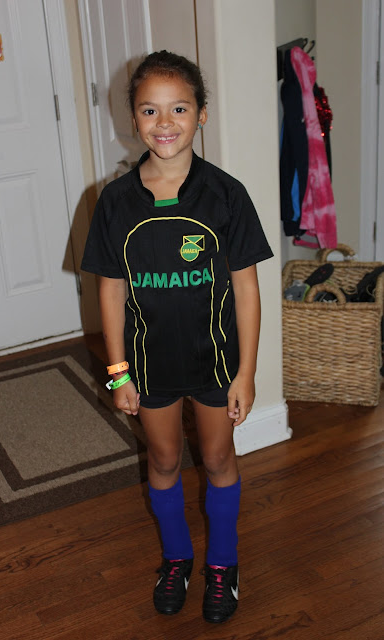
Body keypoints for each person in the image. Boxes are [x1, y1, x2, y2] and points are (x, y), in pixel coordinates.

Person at [81, 50, 273, 624]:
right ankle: (176, 557)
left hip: (215, 363)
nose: (164, 123)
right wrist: (117, 373)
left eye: (179, 108)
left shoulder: (226, 195)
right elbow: (110, 291)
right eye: (150, 110)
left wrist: (246, 374)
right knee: (163, 460)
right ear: (133, 119)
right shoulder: (114, 202)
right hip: (148, 367)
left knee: (217, 457)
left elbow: (247, 291)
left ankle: (223, 564)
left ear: (201, 114)